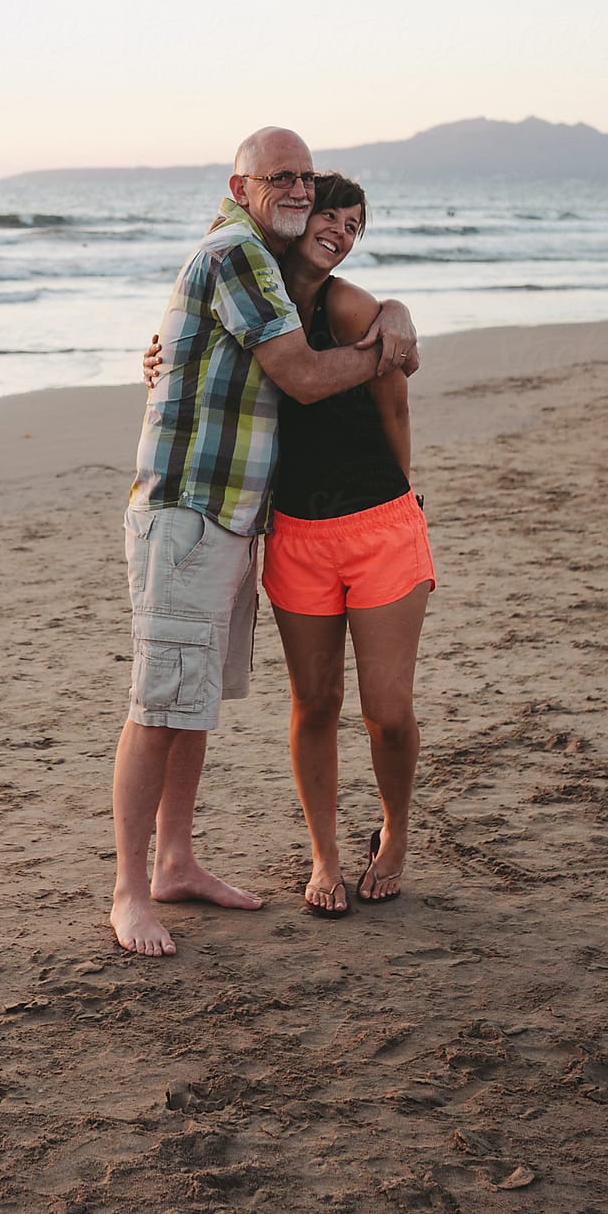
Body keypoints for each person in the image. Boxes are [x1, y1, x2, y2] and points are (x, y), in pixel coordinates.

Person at [111, 128, 419, 958]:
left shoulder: (270, 272)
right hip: (192, 512)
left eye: (305, 178)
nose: (298, 191)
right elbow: (303, 377)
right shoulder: (241, 258)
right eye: (281, 178)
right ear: (242, 186)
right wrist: (389, 349)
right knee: (160, 704)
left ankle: (174, 862)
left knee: (192, 701)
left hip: (240, 519)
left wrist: (391, 316)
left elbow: (210, 360)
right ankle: (131, 893)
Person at [264, 174, 434, 917]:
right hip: (296, 532)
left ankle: (393, 835)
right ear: (298, 214)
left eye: (354, 224)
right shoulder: (253, 298)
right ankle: (325, 856)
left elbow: (394, 399)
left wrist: (399, 497)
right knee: (315, 703)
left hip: (379, 525)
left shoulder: (349, 306)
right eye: (328, 213)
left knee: (387, 713)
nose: (339, 229)